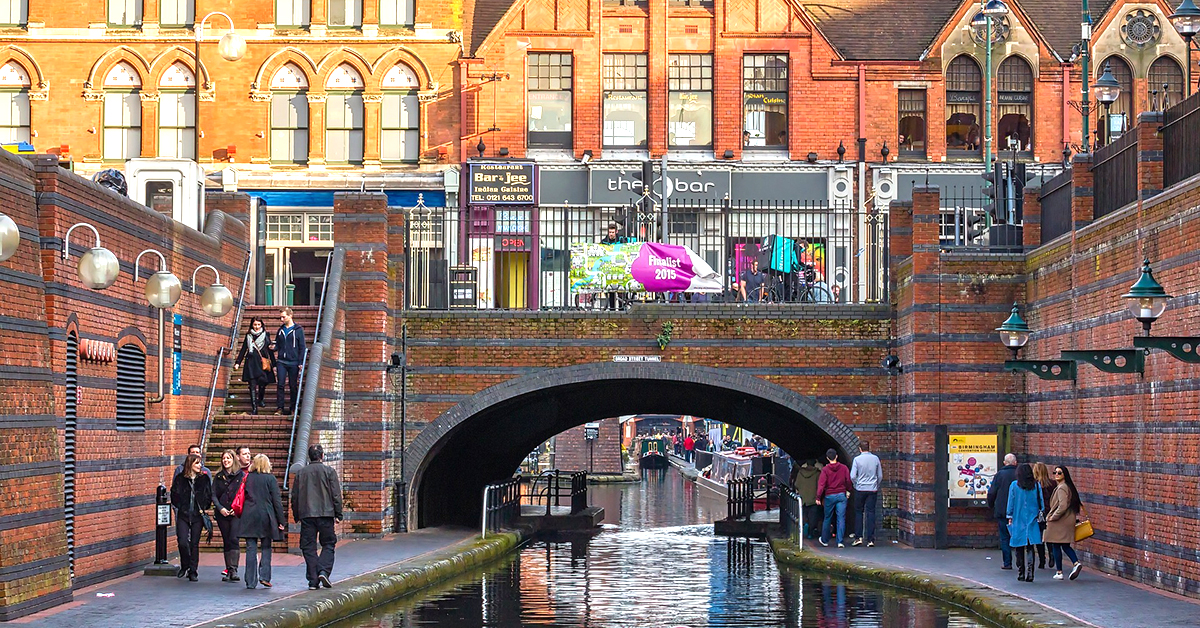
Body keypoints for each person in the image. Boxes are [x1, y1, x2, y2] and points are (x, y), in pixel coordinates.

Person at [291, 445, 344, 590]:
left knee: (308, 547)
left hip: (307, 515)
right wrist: (338, 514)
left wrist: (296, 515)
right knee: (328, 543)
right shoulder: (329, 472)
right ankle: (323, 570)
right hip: (326, 514)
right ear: (322, 456)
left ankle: (313, 580)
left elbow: (294, 496)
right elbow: (336, 495)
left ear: (309, 456)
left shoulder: (301, 473)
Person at [238, 454, 285, 589]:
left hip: (249, 514)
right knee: (266, 546)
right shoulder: (270, 479)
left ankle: (250, 580)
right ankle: (264, 576)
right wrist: (281, 520)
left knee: (250, 548)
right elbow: (277, 501)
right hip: (266, 515)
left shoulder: (247, 478)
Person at [170, 453, 212, 582]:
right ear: (190, 464)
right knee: (182, 541)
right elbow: (174, 495)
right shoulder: (180, 478)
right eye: (197, 463)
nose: (200, 466)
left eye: (200, 463)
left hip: (197, 515)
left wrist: (204, 505)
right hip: (183, 514)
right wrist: (181, 505)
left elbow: (208, 495)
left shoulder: (203, 479)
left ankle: (193, 571)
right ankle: (185, 565)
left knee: (194, 543)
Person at [1045, 465, 1084, 581]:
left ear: (1064, 475)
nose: (1056, 474)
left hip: (1060, 521)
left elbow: (1062, 506)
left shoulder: (1062, 488)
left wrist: (1053, 517)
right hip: (1066, 520)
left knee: (1056, 544)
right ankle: (1075, 563)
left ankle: (1060, 571)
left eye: (1059, 473)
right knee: (1064, 545)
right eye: (1055, 472)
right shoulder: (1067, 487)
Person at [1006, 463, 1044, 582]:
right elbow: (1041, 503)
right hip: (1032, 519)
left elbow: (1011, 502)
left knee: (1018, 546)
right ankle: (1030, 572)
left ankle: (1021, 571)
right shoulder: (1036, 486)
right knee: (1030, 546)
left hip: (1018, 519)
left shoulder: (1014, 485)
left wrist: (1009, 515)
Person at [211, 449, 242, 582]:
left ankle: (234, 568)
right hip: (222, 513)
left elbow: (243, 495)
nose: (226, 461)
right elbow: (213, 495)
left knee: (234, 538)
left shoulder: (241, 476)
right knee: (226, 540)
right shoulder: (218, 477)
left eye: (228, 458)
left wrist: (236, 509)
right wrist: (220, 508)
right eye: (224, 458)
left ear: (233, 459)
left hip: (236, 513)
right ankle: (228, 568)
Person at [234, 317, 276, 415]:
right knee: (252, 385)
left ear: (261, 325)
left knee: (263, 382)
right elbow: (244, 349)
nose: (257, 327)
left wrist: (274, 364)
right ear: (252, 325)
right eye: (255, 325)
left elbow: (269, 350)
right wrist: (238, 363)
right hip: (251, 363)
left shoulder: (266, 335)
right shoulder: (248, 336)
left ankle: (260, 399)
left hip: (262, 362)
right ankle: (254, 408)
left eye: (258, 325)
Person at [987, 453, 1019, 570]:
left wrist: (991, 505)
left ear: (1004, 463)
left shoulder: (1000, 475)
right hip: (1017, 511)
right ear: (1015, 463)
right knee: (1017, 536)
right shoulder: (1019, 474)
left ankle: (1007, 562)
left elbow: (992, 492)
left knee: (1004, 537)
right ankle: (1020, 561)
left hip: (1002, 510)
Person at [274, 307, 306, 415]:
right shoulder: (280, 330)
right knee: (280, 384)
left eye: (284, 317)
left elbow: (302, 347)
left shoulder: (298, 330)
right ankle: (280, 408)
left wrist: (300, 362)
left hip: (294, 361)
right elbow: (278, 344)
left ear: (290, 316)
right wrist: (273, 348)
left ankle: (293, 408)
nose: (282, 319)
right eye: (281, 317)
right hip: (281, 361)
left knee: (293, 385)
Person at [816, 448, 851, 548]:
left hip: (829, 496)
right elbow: (848, 481)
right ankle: (840, 541)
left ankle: (824, 540)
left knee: (827, 518)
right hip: (841, 494)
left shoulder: (825, 470)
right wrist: (848, 490)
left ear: (827, 458)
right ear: (837, 456)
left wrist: (818, 497)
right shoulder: (844, 468)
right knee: (841, 518)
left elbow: (821, 484)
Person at [850, 440, 882, 547]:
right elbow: (880, 475)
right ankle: (870, 539)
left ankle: (858, 537)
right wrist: (876, 485)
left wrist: (856, 484)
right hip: (872, 489)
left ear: (860, 448)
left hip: (860, 489)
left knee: (859, 512)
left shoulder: (857, 460)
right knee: (871, 513)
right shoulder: (875, 459)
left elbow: (853, 476)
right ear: (869, 447)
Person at [1032, 462, 1056, 569]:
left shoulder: (1034, 485)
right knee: (1049, 536)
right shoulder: (1052, 484)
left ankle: (1042, 560)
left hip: (1038, 513)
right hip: (1050, 512)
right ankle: (1051, 554)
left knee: (1039, 536)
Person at [794, 459, 823, 539]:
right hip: (813, 498)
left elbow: (796, 484)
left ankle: (805, 524)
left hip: (803, 498)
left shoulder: (800, 472)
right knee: (813, 516)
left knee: (804, 514)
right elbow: (820, 485)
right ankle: (810, 532)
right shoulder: (817, 473)